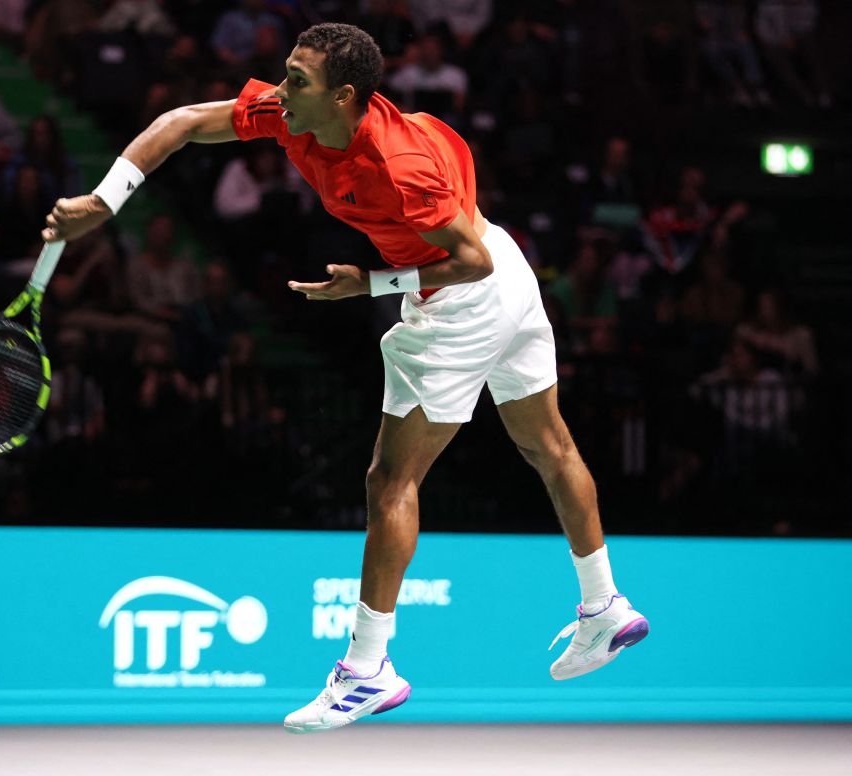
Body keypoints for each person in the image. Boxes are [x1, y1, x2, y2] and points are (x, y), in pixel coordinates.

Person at [43, 22, 649, 733]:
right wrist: (104, 201)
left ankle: (367, 669)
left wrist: (370, 284)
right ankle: (605, 605)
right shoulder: (294, 115)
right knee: (548, 445)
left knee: (390, 482)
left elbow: (470, 260)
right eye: (286, 72)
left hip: (467, 293)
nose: (282, 88)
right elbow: (181, 123)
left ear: (347, 98)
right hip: (504, 270)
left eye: (299, 80)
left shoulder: (397, 164)